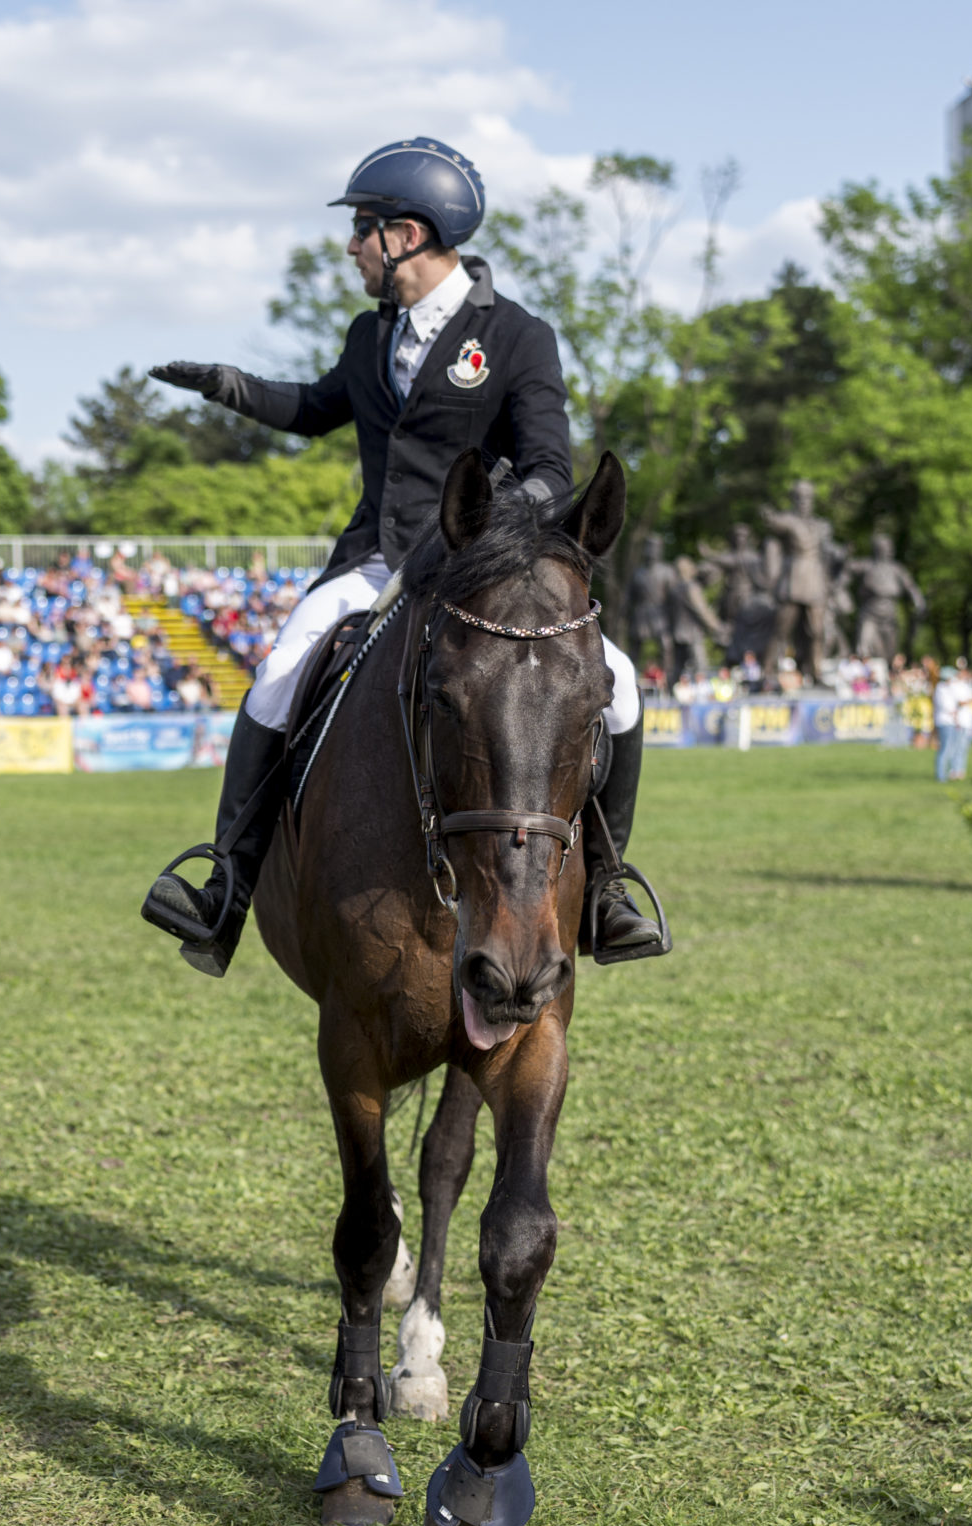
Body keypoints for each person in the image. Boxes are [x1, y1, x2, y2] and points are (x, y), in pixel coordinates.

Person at [136, 137, 664, 976]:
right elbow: (313, 408)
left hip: (478, 564)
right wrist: (227, 385)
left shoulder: (517, 336)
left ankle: (605, 889)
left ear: (408, 235)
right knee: (277, 674)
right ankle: (225, 885)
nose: (353, 247)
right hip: (378, 560)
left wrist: (483, 528)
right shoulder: (368, 334)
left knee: (623, 683)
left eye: (363, 230)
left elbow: (550, 471)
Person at [933, 665, 972, 782]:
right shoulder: (941, 688)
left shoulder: (948, 688)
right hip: (945, 722)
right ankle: (941, 775)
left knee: (952, 748)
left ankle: (948, 773)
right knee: (945, 749)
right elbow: (948, 707)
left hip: (951, 722)